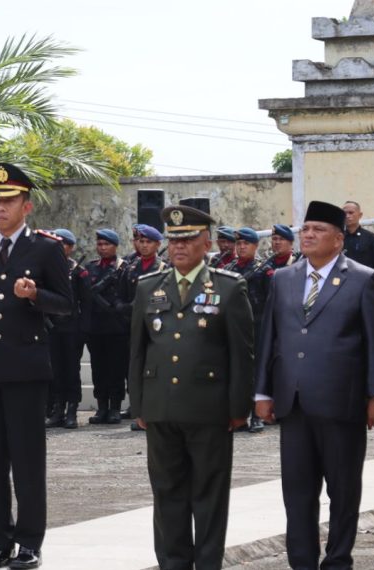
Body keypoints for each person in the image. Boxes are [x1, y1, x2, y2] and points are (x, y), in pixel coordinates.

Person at [254, 201, 374, 569]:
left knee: (343, 491)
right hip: (294, 403)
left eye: (318, 229)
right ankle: (301, 562)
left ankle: (337, 560)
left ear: (338, 238)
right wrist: (263, 391)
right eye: (305, 229)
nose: (309, 234)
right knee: (297, 493)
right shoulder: (284, 279)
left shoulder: (363, 278)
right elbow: (271, 337)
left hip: (342, 404)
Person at [0, 162, 72, 569]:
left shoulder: (46, 248)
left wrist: (36, 294)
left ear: (27, 205)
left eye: (8, 201)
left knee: (26, 460)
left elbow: (67, 304)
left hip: (25, 369)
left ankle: (29, 543)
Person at [129, 204, 254, 570]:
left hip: (209, 409)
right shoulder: (147, 287)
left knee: (209, 497)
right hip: (160, 408)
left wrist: (237, 409)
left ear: (207, 242)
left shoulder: (229, 288)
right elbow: (137, 351)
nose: (179, 247)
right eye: (173, 240)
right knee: (167, 494)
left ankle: (208, 564)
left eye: (187, 239)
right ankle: (173, 563)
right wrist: (139, 406)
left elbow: (241, 353)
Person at [111, 223, 167, 431]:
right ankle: (140, 411)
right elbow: (120, 292)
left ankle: (155, 412)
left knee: (154, 370)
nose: (143, 246)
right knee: (135, 368)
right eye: (141, 241)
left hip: (154, 326)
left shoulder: (163, 269)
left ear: (157, 244)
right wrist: (120, 306)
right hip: (130, 325)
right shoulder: (130, 267)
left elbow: (161, 299)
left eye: (148, 242)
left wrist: (137, 307)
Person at [82, 228, 129, 425]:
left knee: (116, 368)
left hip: (117, 327)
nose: (102, 248)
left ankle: (115, 407)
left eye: (106, 244)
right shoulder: (90, 268)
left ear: (115, 246)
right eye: (100, 244)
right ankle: (102, 406)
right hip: (96, 326)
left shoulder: (124, 268)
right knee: (98, 368)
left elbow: (127, 294)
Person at [224, 227, 268, 433]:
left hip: (257, 326)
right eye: (238, 244)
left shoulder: (263, 269)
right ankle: (238, 415)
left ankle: (256, 415)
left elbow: (271, 302)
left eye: (246, 244)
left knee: (256, 371)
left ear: (255, 246)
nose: (241, 247)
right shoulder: (229, 268)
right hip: (234, 325)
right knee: (236, 371)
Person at [45, 228, 86, 430]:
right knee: (56, 370)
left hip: (72, 328)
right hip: (53, 328)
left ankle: (72, 410)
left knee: (72, 370)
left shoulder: (77, 270)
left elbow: (86, 302)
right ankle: (58, 410)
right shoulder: (48, 269)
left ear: (70, 247)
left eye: (62, 244)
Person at [341, 201, 374, 282]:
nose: (347, 216)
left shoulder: (370, 238)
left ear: (360, 215)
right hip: (343, 284)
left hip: (365, 284)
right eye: (344, 213)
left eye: (351, 213)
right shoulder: (338, 238)